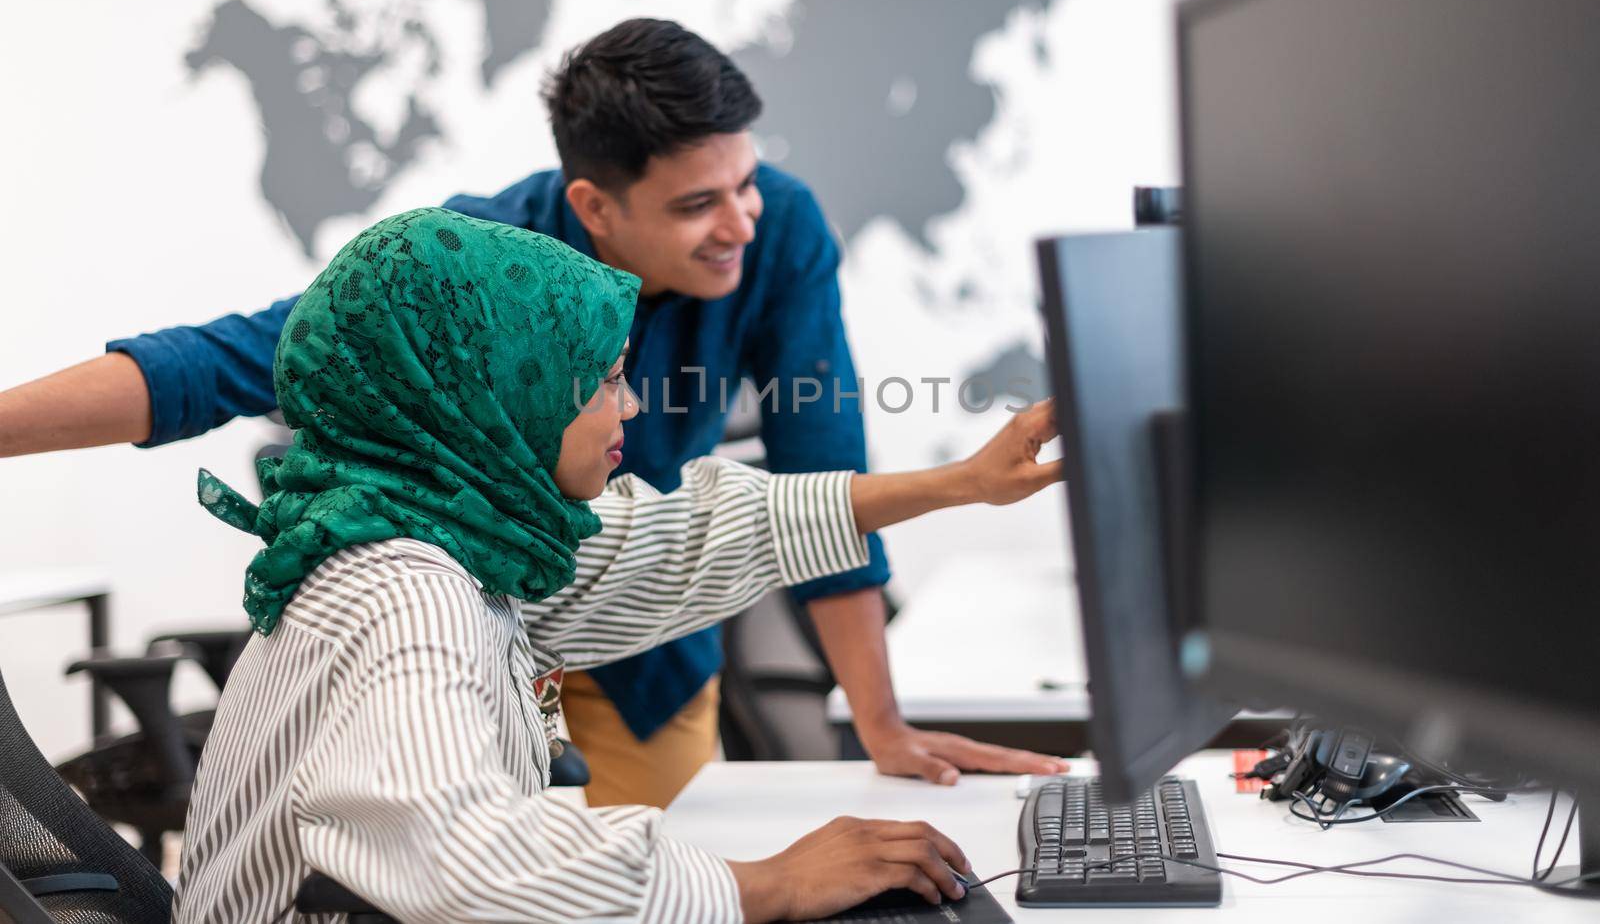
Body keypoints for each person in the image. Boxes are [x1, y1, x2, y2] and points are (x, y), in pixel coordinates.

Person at [0, 17, 1067, 805]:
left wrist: (873, 726)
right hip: (477, 636)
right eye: (698, 203)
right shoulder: (475, 272)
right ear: (594, 206)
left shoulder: (774, 227)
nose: (740, 221)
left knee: (658, 846)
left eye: (746, 180)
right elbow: (220, 362)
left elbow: (812, 476)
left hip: (638, 620)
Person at [173, 209, 1063, 923]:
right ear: (497, 396)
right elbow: (474, 863)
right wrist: (772, 885)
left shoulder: (451, 533)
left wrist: (963, 483)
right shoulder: (406, 594)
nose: (631, 403)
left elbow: (688, 537)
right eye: (602, 379)